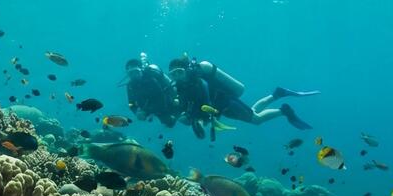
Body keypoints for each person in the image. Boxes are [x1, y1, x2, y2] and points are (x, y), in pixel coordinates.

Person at [167, 54, 317, 138]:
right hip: (222, 107)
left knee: (256, 119)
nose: (178, 77)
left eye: (180, 72)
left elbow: (206, 100)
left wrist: (201, 119)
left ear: (186, 70)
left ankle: (284, 111)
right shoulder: (181, 87)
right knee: (253, 112)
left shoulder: (198, 80)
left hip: (227, 103)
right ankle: (277, 94)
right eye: (173, 74)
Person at [123, 53, 180, 127]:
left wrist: (175, 99)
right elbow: (131, 103)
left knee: (170, 122)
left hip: (165, 104)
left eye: (136, 72)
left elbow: (166, 93)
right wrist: (136, 112)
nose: (134, 76)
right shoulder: (130, 85)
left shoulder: (152, 77)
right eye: (131, 73)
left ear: (141, 70)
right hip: (148, 108)